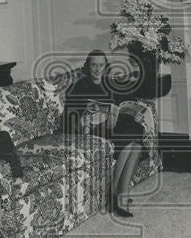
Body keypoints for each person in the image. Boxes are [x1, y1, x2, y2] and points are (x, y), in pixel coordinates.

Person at [63, 49, 147, 219]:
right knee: (132, 138)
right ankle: (116, 192)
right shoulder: (79, 87)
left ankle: (120, 194)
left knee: (135, 135)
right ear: (88, 66)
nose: (97, 69)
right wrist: (79, 122)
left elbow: (123, 106)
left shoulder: (109, 84)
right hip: (93, 129)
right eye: (94, 65)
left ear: (105, 66)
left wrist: (135, 113)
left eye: (101, 65)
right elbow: (67, 117)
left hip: (111, 126)